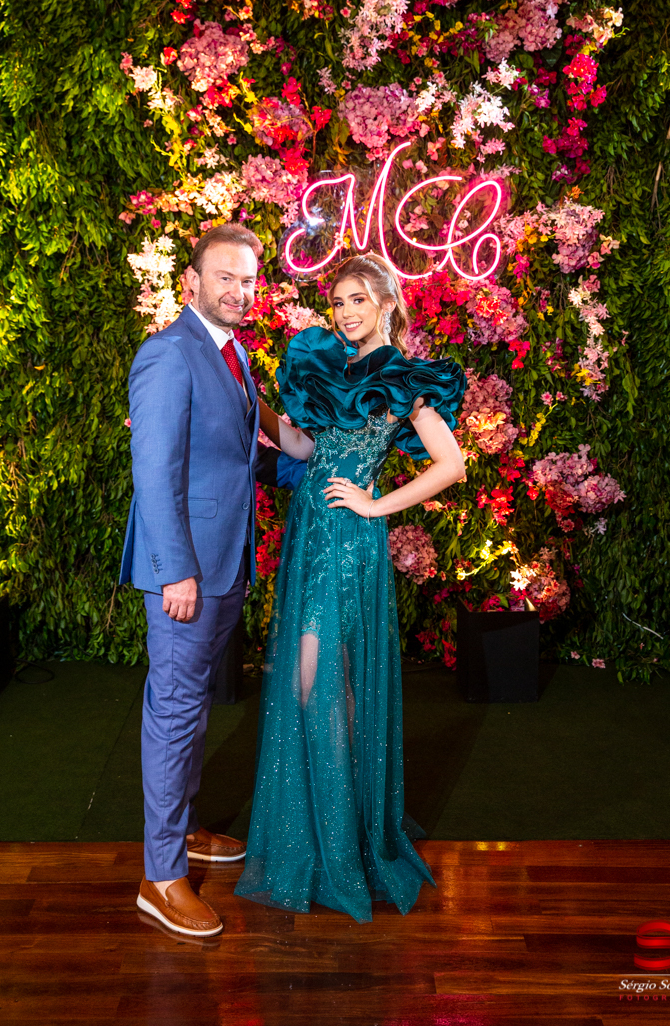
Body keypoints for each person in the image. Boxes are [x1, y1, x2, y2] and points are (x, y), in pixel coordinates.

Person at [234, 253, 467, 922]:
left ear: (388, 303)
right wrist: (250, 395)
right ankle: (333, 831)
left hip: (346, 539)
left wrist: (374, 506)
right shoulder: (329, 368)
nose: (345, 312)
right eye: (338, 302)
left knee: (317, 680)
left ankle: (340, 842)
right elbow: (304, 451)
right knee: (322, 681)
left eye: (358, 299)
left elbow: (450, 464)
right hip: (311, 531)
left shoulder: (403, 377)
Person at [120, 222, 265, 939]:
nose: (239, 291)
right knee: (175, 712)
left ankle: (182, 828)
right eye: (226, 277)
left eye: (248, 280)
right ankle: (161, 877)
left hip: (225, 562)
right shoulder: (168, 354)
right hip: (187, 572)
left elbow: (238, 456)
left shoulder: (234, 355)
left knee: (193, 708)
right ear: (192, 282)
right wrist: (175, 569)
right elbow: (154, 473)